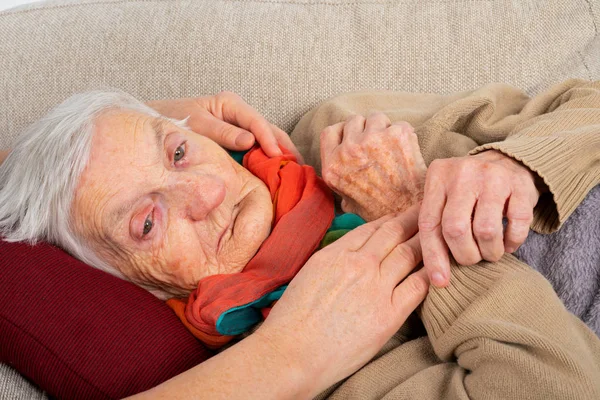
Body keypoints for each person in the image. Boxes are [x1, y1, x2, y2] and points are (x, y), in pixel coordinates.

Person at [0, 80, 599, 398]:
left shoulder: (333, 134)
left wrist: (515, 163)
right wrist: (415, 218)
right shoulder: (334, 378)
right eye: (148, 222)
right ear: (138, 291)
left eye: (179, 152)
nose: (206, 193)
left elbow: (585, 101)